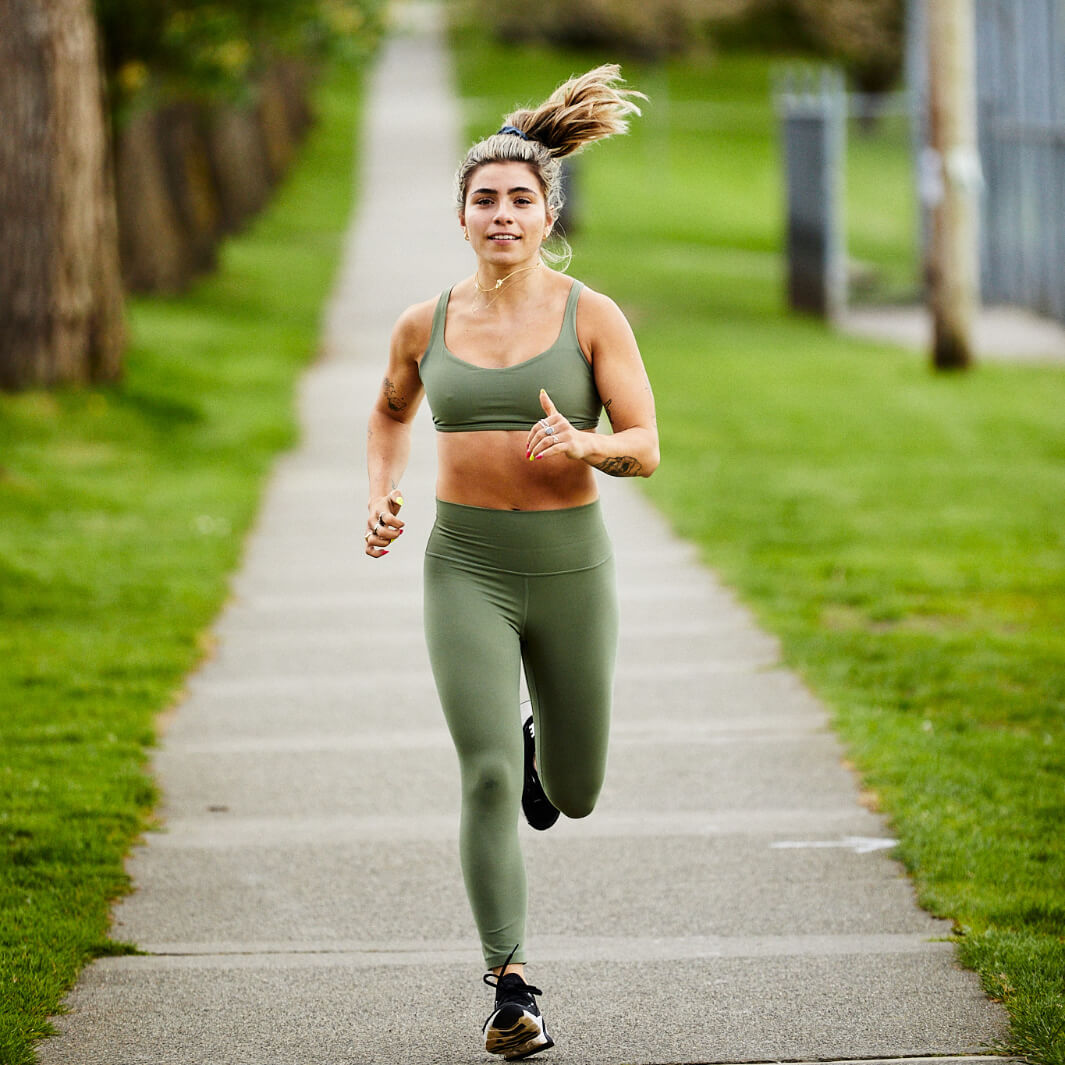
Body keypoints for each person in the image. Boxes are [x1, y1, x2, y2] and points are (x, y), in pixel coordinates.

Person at [364, 64, 658, 1061]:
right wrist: (382, 491)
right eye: (484, 199)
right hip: (466, 565)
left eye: (519, 199)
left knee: (572, 792)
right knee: (485, 777)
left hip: (570, 565)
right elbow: (389, 410)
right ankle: (510, 983)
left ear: (547, 213)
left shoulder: (592, 316)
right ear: (461, 215)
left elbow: (647, 447)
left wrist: (589, 446)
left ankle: (548, 755)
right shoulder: (426, 322)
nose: (501, 214)